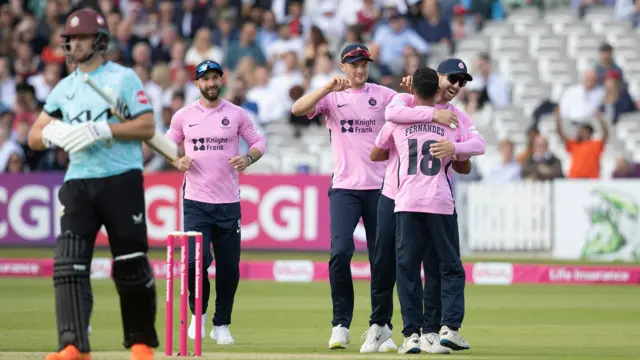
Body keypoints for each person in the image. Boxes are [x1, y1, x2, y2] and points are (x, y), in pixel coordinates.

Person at [290, 44, 456, 352]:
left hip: (382, 188)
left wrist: (411, 88)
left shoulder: (382, 95)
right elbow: (298, 109)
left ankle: (381, 325)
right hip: (345, 187)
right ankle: (341, 324)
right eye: (353, 63)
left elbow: (408, 107)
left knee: (384, 260)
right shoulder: (332, 97)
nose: (359, 69)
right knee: (340, 253)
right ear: (342, 66)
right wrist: (325, 87)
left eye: (364, 63)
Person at [27, 7, 158, 360]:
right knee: (69, 264)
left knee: (130, 262)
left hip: (120, 180)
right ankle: (72, 345)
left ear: (99, 40)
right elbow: (33, 136)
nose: (73, 44)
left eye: (80, 37)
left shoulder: (123, 78)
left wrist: (104, 129)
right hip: (79, 182)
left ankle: (141, 342)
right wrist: (56, 132)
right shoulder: (64, 88)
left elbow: (146, 127)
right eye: (69, 39)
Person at [373, 67, 474, 354]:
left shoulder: (399, 117)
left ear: (413, 90)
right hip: (440, 202)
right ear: (438, 87)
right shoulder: (452, 123)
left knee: (407, 269)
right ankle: (443, 329)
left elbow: (376, 151)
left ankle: (411, 335)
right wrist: (453, 148)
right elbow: (471, 155)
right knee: (447, 267)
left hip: (404, 201)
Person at [166, 60, 266, 345]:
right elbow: (165, 143)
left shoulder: (236, 114)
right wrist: (175, 159)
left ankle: (221, 323)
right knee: (196, 263)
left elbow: (259, 142)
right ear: (196, 84)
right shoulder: (184, 116)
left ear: (222, 80)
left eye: (215, 78)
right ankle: (197, 316)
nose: (211, 83)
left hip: (228, 204)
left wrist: (248, 158)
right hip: (196, 202)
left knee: (229, 268)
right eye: (205, 79)